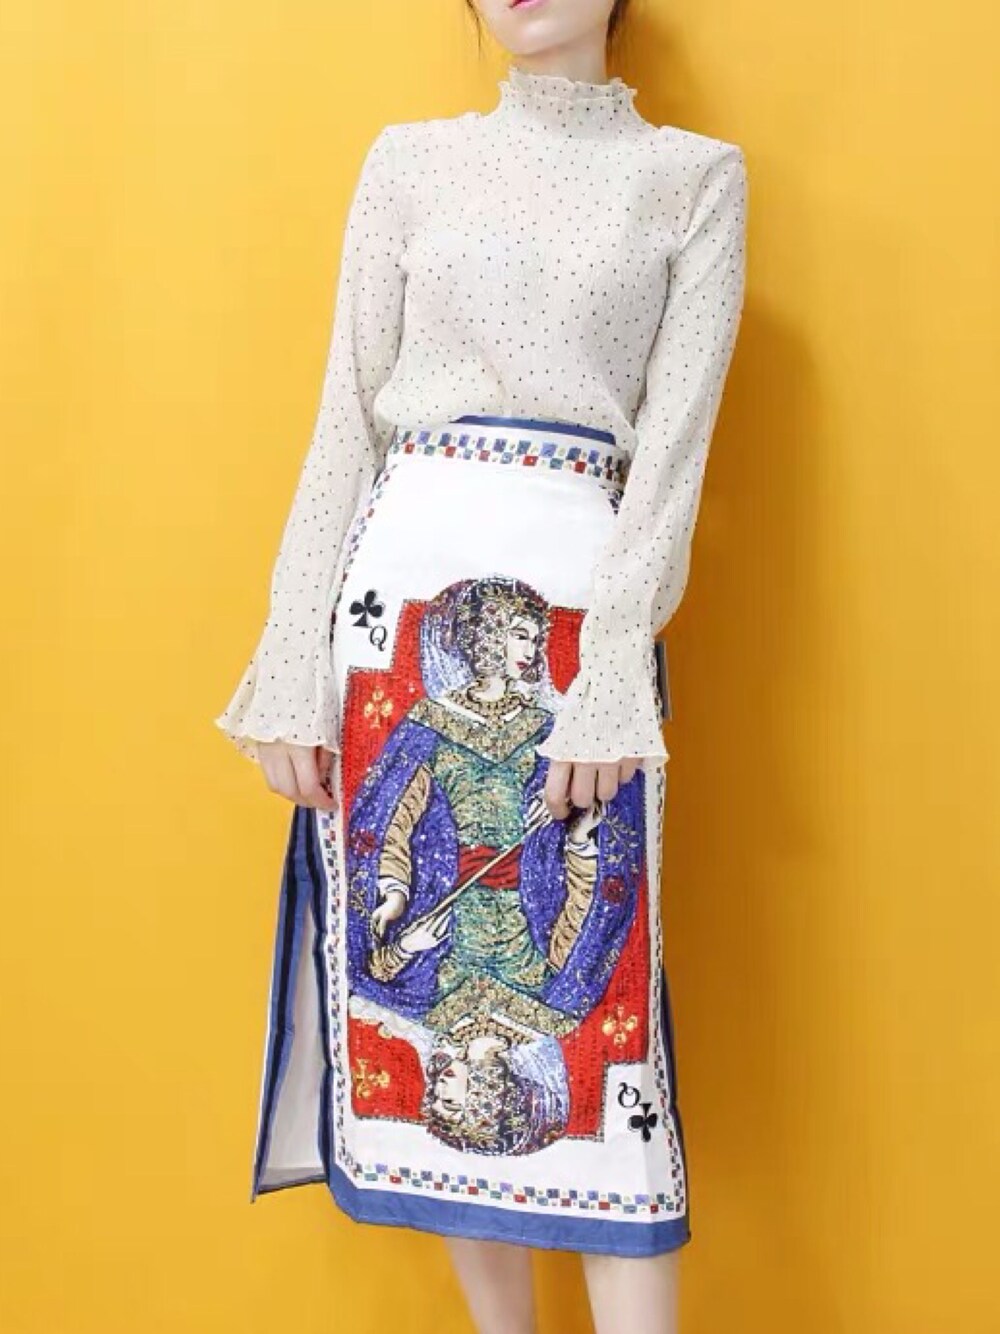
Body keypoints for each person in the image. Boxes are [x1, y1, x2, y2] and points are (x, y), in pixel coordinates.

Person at [213, 2, 748, 1330]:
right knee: (438, 1028)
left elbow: (673, 457)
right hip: (396, 621)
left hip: (578, 631)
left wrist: (614, 671)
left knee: (592, 1023)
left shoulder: (692, 181)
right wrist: (291, 653)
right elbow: (345, 418)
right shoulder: (410, 162)